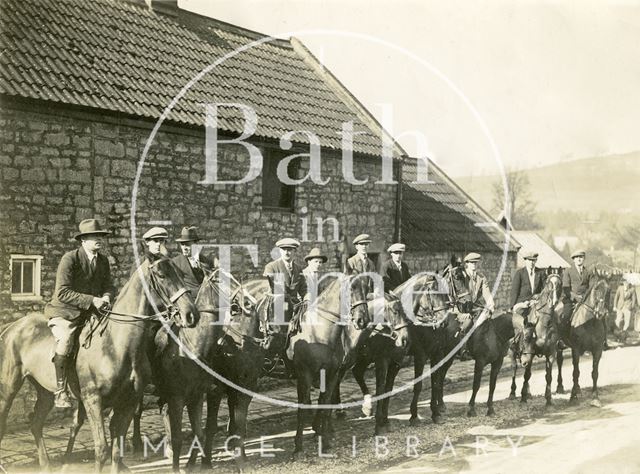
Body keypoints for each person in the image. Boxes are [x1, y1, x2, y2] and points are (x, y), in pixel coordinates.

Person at [44, 219, 115, 408]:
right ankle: (60, 390)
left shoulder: (103, 261)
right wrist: (92, 300)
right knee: (66, 339)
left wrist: (107, 296)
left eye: (100, 236)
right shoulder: (70, 259)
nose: (98, 239)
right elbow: (62, 292)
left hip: (92, 312)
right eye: (94, 236)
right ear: (83, 240)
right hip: (66, 311)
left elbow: (108, 285)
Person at [263, 238, 307, 326]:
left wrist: (307, 299)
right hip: (277, 307)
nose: (286, 252)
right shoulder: (271, 267)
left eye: (289, 250)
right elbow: (272, 289)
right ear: (280, 251)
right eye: (284, 249)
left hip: (295, 307)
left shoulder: (298, 269)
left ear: (295, 251)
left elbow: (303, 290)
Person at [510, 251, 544, 338]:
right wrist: (513, 307)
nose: (531, 263)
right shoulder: (520, 273)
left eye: (533, 260)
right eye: (529, 260)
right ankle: (517, 340)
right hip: (523, 304)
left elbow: (545, 290)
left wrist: (538, 297)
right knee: (520, 322)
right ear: (525, 260)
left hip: (536, 303)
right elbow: (514, 291)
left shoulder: (541, 273)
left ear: (536, 261)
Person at [172, 226, 215, 296]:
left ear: (195, 244)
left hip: (206, 301)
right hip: (189, 302)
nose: (184, 248)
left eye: (187, 244)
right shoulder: (175, 262)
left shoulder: (206, 261)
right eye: (182, 244)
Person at [561, 250, 592, 325]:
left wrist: (584, 297)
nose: (579, 259)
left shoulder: (587, 271)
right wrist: (576, 297)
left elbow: (590, 287)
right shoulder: (568, 271)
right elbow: (566, 288)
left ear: (584, 259)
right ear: (574, 259)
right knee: (567, 315)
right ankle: (564, 335)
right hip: (571, 299)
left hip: (585, 299)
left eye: (581, 257)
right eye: (576, 257)